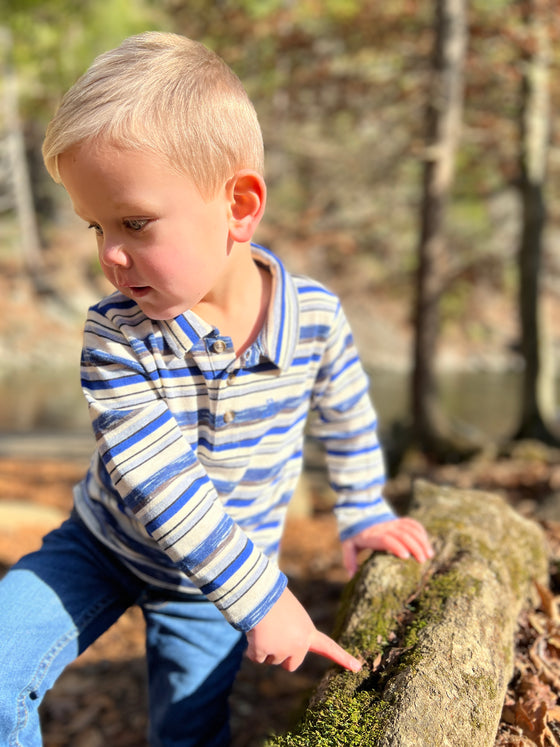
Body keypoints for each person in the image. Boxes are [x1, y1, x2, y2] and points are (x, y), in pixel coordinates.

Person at [0, 32, 433, 747]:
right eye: (96, 226)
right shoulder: (116, 335)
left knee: (189, 728)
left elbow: (347, 411)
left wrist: (361, 510)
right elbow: (158, 478)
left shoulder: (314, 319)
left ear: (239, 205)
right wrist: (264, 598)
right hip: (104, 542)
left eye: (134, 222)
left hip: (218, 579)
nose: (109, 254)